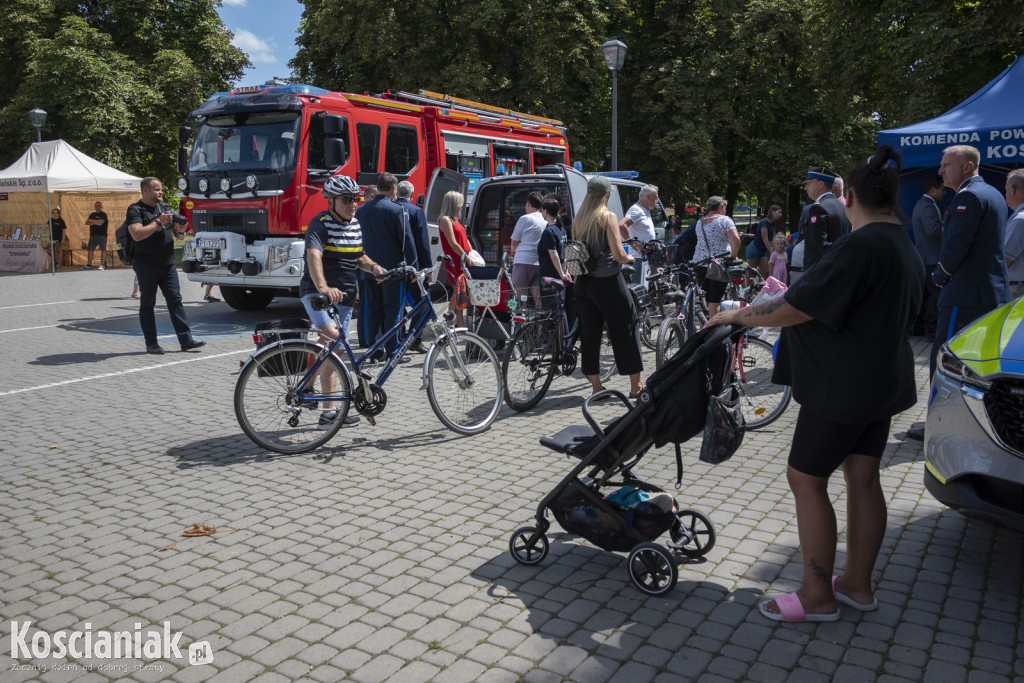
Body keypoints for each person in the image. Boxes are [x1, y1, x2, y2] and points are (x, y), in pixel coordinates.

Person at [708, 145, 924, 623]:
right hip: (881, 381)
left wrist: (737, 314)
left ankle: (815, 594)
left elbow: (796, 307)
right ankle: (856, 586)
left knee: (805, 478)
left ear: (848, 199)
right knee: (863, 479)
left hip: (840, 385)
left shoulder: (859, 246)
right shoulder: (903, 244)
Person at [925, 144, 1010, 401]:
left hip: (964, 294)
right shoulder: (993, 193)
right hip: (988, 292)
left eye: (946, 165)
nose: (941, 171)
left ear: (967, 167)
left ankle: (938, 413)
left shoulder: (968, 196)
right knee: (978, 359)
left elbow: (956, 245)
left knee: (946, 355)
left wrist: (940, 276)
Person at [300, 174, 385, 429]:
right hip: (316, 295)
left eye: (356, 199)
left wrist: (375, 267)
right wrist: (323, 287)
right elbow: (313, 256)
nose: (353, 204)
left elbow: (358, 257)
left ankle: (315, 396)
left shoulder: (355, 224)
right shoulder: (320, 224)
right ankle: (324, 406)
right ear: (331, 201)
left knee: (330, 347)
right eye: (347, 200)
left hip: (346, 296)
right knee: (333, 341)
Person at [572, 175, 643, 398]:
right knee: (627, 328)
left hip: (583, 282)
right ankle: (636, 387)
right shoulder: (607, 216)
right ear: (606, 195)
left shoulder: (579, 218)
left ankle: (596, 387)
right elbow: (618, 253)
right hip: (608, 282)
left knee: (590, 334)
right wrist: (629, 259)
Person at [126, 177, 205, 355]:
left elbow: (178, 236)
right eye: (156, 190)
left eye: (160, 189)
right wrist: (158, 222)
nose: (160, 192)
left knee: (175, 301)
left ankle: (186, 341)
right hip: (146, 264)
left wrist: (182, 229)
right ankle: (152, 344)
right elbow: (137, 234)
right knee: (148, 303)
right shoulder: (135, 210)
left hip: (167, 264)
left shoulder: (164, 208)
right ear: (145, 191)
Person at [356, 172, 417, 361]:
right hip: (393, 271)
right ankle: (392, 351)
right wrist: (413, 265)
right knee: (393, 311)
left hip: (368, 269)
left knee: (373, 310)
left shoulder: (361, 209)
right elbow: (407, 240)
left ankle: (374, 351)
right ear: (393, 189)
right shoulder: (397, 210)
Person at [395, 180, 431, 352]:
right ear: (412, 195)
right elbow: (422, 243)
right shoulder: (416, 211)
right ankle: (415, 338)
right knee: (423, 302)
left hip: (393, 266)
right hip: (413, 265)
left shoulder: (391, 210)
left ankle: (399, 336)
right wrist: (428, 267)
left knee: (396, 303)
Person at [691, 196, 741, 318]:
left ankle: (704, 326)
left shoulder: (700, 222)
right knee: (714, 300)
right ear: (720, 207)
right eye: (725, 208)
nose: (725, 211)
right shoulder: (724, 220)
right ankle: (713, 330)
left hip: (699, 262)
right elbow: (736, 240)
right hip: (716, 264)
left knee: (703, 297)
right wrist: (733, 256)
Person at [910, 175, 946, 339]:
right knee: (934, 295)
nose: (944, 193)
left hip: (926, 257)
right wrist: (951, 227)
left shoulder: (925, 204)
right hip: (930, 258)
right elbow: (933, 230)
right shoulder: (927, 206)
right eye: (942, 189)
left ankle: (917, 328)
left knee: (924, 294)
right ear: (933, 189)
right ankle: (931, 330)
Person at [802, 166, 851, 270]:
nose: (805, 188)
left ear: (820, 184)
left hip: (820, 272)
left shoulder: (818, 208)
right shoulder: (843, 207)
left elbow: (821, 245)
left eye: (809, 184)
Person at [437, 190, 472, 328]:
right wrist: (466, 256)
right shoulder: (445, 220)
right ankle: (449, 321)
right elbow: (453, 243)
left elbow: (463, 239)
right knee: (457, 292)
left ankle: (459, 321)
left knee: (461, 291)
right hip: (456, 260)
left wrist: (471, 253)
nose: (462, 205)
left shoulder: (454, 219)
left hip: (461, 258)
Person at [618, 184, 659, 285]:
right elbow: (622, 225)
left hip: (644, 256)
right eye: (656, 198)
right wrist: (632, 242)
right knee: (638, 288)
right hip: (638, 257)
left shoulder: (644, 210)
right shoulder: (637, 210)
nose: (657, 201)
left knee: (644, 287)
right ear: (648, 196)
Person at [510, 192, 545, 305]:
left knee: (521, 296)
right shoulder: (545, 219)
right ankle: (540, 321)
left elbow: (514, 241)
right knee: (537, 296)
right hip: (539, 262)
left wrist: (513, 251)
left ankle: (522, 319)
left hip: (523, 260)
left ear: (528, 204)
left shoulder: (524, 219)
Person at [1003, 169, 1024, 300]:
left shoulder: (1019, 220)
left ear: (1012, 190)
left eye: (1005, 190)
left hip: (1016, 290)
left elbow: (1004, 260)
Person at [746, 205, 782, 277]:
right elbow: (764, 238)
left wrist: (777, 248)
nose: (781, 214)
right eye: (779, 212)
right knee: (751, 273)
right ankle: (748, 288)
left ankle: (765, 288)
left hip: (762, 250)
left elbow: (773, 237)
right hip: (754, 249)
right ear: (772, 211)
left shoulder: (773, 223)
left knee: (766, 273)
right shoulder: (764, 222)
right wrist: (771, 251)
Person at [83, 201, 109, 270]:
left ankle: (102, 265)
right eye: (96, 206)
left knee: (103, 250)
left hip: (102, 235)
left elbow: (100, 223)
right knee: (90, 250)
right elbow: (86, 222)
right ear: (94, 207)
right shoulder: (92, 214)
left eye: (99, 206)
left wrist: (92, 221)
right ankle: (89, 265)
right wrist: (96, 222)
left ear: (101, 207)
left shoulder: (104, 214)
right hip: (93, 235)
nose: (97, 207)